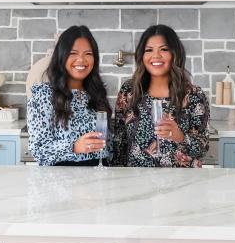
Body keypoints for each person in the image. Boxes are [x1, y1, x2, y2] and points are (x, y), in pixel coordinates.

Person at [112, 24, 210, 167]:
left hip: (182, 183)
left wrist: (180, 136)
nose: (156, 55)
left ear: (174, 54)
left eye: (164, 49)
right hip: (135, 181)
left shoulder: (194, 95)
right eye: (149, 50)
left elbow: (202, 149)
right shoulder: (129, 91)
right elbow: (119, 141)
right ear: (142, 55)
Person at [26, 25, 112, 166]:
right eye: (73, 53)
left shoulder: (97, 94)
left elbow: (108, 145)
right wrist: (74, 147)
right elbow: (38, 149)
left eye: (88, 54)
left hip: (98, 178)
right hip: (62, 181)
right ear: (61, 56)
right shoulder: (43, 95)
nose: (81, 59)